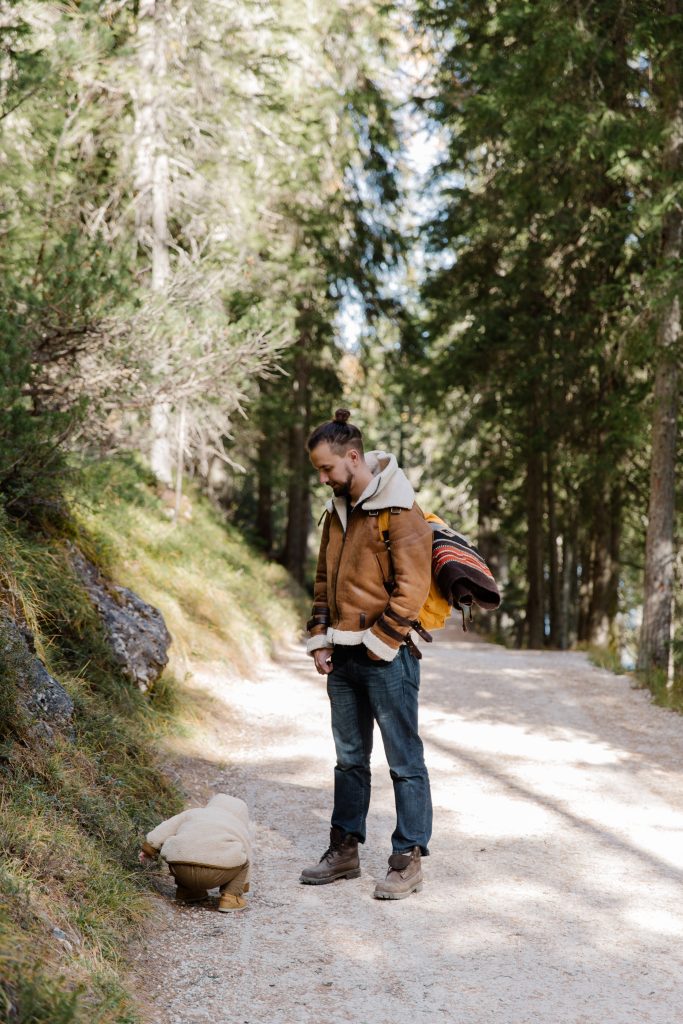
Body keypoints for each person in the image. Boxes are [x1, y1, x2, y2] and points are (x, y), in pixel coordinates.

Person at [300, 409, 433, 900]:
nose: (323, 478)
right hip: (342, 656)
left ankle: (408, 857)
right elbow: (322, 580)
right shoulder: (335, 512)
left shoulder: (400, 510)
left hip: (388, 656)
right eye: (317, 470)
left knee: (404, 759)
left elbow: (413, 586)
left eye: (327, 469)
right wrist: (320, 637)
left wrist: (382, 641)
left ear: (352, 458)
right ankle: (345, 849)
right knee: (349, 759)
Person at [139, 793, 252, 912]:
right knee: (244, 860)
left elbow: (163, 830)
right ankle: (231, 898)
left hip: (180, 868)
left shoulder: (193, 813)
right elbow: (248, 853)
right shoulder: (238, 825)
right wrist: (242, 887)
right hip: (217, 872)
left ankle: (188, 892)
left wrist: (148, 850)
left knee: (184, 848)